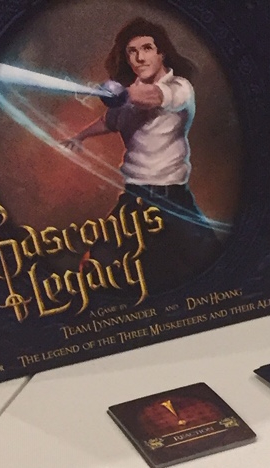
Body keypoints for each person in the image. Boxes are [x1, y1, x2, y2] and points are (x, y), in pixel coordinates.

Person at [63, 19, 218, 289]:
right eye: (132, 52)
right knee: (94, 269)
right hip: (134, 199)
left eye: (147, 48)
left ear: (161, 53)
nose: (140, 57)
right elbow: (108, 121)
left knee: (212, 265)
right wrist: (80, 136)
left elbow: (152, 97)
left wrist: (114, 93)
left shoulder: (179, 87)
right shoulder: (125, 98)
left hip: (173, 200)